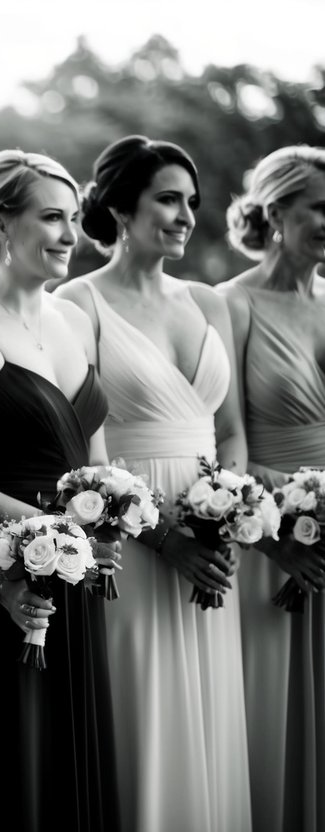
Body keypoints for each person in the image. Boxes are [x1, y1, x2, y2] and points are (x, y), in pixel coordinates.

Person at [55, 135, 251, 832]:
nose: (185, 216)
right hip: (128, 541)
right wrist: (165, 537)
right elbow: (85, 450)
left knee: (211, 712)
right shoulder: (73, 305)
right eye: (167, 199)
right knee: (144, 708)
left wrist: (226, 517)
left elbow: (228, 429)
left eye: (191, 202)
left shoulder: (207, 301)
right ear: (118, 206)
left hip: (209, 539)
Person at [0, 149, 119, 832]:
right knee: (13, 749)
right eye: (50, 217)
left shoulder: (70, 320)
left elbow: (96, 460)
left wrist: (105, 525)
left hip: (81, 570)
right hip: (7, 568)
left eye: (72, 218)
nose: (69, 234)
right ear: (0, 223)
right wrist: (45, 531)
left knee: (72, 746)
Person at [217, 145, 325, 832]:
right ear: (276, 209)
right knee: (276, 722)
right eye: (319, 205)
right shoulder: (231, 303)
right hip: (271, 550)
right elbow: (220, 443)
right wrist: (279, 536)